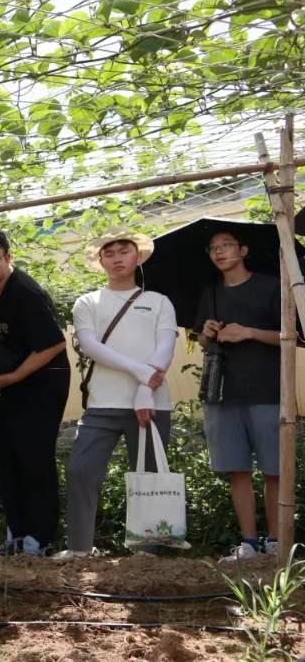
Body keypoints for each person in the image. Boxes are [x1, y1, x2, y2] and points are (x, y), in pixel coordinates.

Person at [56, 233, 178, 560]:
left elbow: (165, 348)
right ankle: (80, 547)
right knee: (81, 469)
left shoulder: (159, 301)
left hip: (152, 403)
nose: (117, 258)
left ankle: (147, 550)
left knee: (149, 474)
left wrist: (143, 390)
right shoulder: (87, 302)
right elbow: (91, 346)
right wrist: (140, 372)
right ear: (100, 261)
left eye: (125, 251)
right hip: (102, 404)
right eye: (109, 253)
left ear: (138, 257)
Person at [0, 227, 70, 557]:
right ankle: (15, 535)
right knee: (3, 454)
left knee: (34, 457)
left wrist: (14, 376)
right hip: (6, 385)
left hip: (42, 382)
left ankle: (40, 539)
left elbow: (54, 344)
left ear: (8, 258)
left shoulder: (26, 292)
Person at [194, 230, 281, 562]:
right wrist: (206, 334)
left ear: (243, 250)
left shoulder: (270, 286)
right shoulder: (210, 293)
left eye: (226, 245)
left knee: (274, 468)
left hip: (267, 390)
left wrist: (249, 333)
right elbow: (202, 342)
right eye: (213, 247)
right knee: (236, 469)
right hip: (221, 392)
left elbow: (293, 336)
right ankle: (249, 543)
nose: (219, 252)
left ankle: (276, 540)